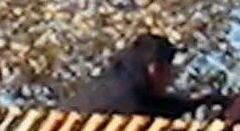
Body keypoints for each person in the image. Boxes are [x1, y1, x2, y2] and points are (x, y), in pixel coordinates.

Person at [67, 33, 222, 119]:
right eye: (170, 69)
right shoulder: (131, 103)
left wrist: (195, 102)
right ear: (155, 69)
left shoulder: (108, 85)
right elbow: (160, 107)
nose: (172, 77)